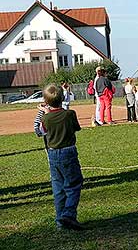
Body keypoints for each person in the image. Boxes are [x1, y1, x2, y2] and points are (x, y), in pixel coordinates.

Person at [41, 83, 84, 230]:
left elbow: (42, 130)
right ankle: (68, 214)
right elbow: (76, 127)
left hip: (52, 154)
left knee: (58, 188)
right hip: (68, 151)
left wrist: (46, 113)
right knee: (73, 184)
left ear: (46, 101)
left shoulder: (45, 118)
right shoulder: (69, 114)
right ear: (63, 97)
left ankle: (60, 222)